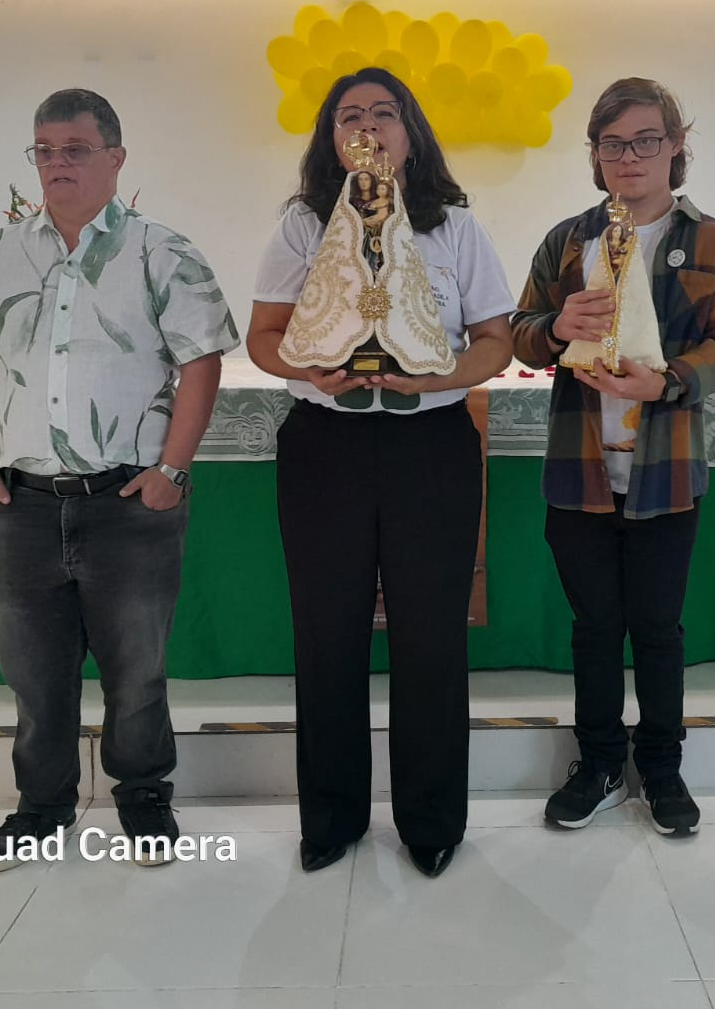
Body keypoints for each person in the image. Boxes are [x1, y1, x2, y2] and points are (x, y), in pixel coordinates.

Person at [0, 88, 239, 870]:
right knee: (34, 677)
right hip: (19, 503)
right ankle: (42, 807)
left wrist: (173, 469)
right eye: (44, 149)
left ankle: (144, 800)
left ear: (116, 158)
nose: (57, 163)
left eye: (75, 148)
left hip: (129, 500)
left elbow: (202, 362)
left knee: (136, 673)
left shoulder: (162, 253)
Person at [247, 68, 516, 878]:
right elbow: (265, 335)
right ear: (331, 138)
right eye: (348, 116)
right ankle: (331, 819)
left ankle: (431, 822)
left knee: (431, 636)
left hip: (429, 449)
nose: (366, 127)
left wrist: (433, 379)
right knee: (325, 634)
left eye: (383, 114)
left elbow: (495, 340)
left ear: (411, 131)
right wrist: (309, 364)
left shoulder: (453, 226)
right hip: (323, 446)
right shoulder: (303, 224)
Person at [510, 77, 715, 836]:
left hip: (666, 472)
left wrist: (670, 379)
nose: (630, 156)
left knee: (657, 628)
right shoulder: (566, 241)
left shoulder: (712, 243)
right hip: (579, 471)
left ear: (677, 147)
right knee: (592, 627)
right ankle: (597, 762)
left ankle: (663, 765)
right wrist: (555, 329)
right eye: (612, 143)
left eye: (647, 140)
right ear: (595, 154)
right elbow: (518, 331)